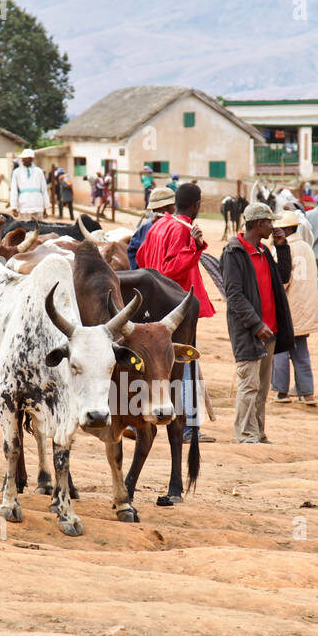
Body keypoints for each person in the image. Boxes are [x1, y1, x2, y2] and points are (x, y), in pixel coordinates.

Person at [137, 183, 215, 442]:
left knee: (159, 363)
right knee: (186, 363)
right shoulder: (182, 230)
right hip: (177, 308)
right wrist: (195, 249)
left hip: (156, 307)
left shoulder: (157, 226)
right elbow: (171, 269)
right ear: (196, 205)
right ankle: (189, 427)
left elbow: (141, 258)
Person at [220, 203, 293, 443]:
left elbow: (282, 277)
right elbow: (234, 294)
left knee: (261, 388)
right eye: (270, 223)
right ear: (259, 224)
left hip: (269, 329)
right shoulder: (233, 253)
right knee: (249, 385)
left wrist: (282, 247)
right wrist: (255, 323)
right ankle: (245, 434)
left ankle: (258, 432)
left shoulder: (263, 251)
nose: (273, 227)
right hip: (249, 331)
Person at [271, 210, 318, 405]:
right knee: (301, 352)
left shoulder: (283, 249)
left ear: (287, 229)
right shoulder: (307, 247)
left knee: (281, 350)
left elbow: (281, 281)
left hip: (288, 308)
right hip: (306, 308)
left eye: (278, 229)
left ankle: (281, 392)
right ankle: (307, 393)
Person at [127, 185, 176, 263]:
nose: (175, 209)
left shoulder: (158, 225)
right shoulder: (150, 227)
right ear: (163, 209)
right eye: (173, 205)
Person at [10, 148, 50, 221]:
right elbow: (14, 190)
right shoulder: (17, 172)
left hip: (38, 204)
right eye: (23, 158)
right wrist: (14, 207)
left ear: (31, 159)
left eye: (27, 158)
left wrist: (45, 208)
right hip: (24, 205)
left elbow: (44, 190)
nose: (24, 160)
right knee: (26, 228)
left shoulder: (39, 171)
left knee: (39, 228)